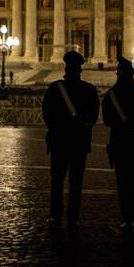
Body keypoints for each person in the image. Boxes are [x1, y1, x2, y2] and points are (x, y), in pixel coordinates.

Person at [41, 50, 99, 230]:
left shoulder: (54, 88)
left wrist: (57, 129)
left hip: (59, 140)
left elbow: (47, 114)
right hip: (79, 142)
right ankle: (73, 217)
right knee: (76, 182)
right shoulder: (89, 90)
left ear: (66, 68)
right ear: (80, 69)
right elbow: (93, 117)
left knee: (57, 180)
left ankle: (55, 215)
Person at [101, 57, 134, 230]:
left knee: (122, 181)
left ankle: (126, 216)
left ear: (118, 74)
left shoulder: (111, 95)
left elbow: (107, 121)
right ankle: (131, 211)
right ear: (133, 74)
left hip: (120, 142)